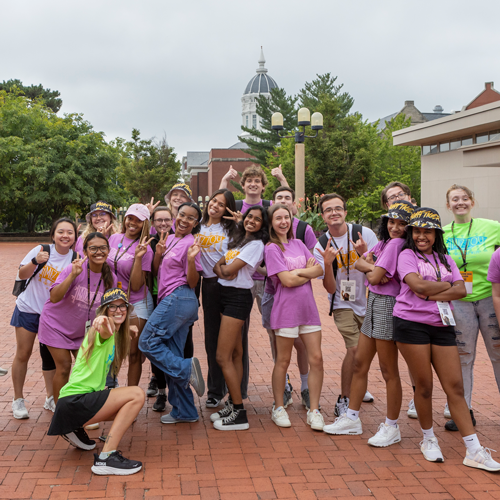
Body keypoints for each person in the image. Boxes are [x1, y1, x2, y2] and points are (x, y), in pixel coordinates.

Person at [393, 208, 500, 471]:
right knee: (424, 386)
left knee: (455, 387)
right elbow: (417, 287)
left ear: (436, 234)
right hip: (411, 325)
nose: (421, 236)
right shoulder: (406, 255)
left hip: (442, 325)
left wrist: (430, 293)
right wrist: (444, 287)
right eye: (417, 231)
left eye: (427, 231)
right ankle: (428, 439)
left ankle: (474, 450)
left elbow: (462, 289)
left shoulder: (445, 257)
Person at [323, 201, 414, 446]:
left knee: (388, 371)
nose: (395, 227)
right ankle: (352, 417)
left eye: (401, 223)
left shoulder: (396, 244)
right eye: (391, 222)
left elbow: (371, 273)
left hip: (386, 305)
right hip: (373, 301)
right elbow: (366, 268)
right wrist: (368, 265)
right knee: (360, 363)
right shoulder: (384, 242)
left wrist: (367, 265)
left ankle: (391, 426)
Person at [48, 288, 144, 475]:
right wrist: (101, 321)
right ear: (104, 311)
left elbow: (114, 329)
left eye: (122, 306)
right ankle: (107, 457)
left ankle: (75, 429)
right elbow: (103, 326)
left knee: (125, 410)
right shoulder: (102, 332)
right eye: (112, 307)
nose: (118, 310)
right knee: (136, 394)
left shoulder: (114, 335)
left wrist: (128, 328)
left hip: (72, 403)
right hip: (75, 401)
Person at [218, 164, 288, 400]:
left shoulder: (268, 207)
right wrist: (225, 179)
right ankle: (239, 389)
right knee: (239, 339)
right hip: (241, 280)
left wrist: (282, 179)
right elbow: (218, 203)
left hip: (264, 279)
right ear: (244, 184)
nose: (253, 184)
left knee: (274, 330)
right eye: (249, 180)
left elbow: (286, 205)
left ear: (263, 185)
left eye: (257, 181)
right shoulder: (237, 206)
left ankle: (284, 381)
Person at [139, 202, 206, 424]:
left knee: (147, 342)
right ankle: (185, 411)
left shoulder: (190, 243)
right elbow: (159, 272)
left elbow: (193, 282)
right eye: (182, 215)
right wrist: (158, 253)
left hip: (179, 298)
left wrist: (190, 260)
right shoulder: (169, 239)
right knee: (172, 357)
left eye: (191, 218)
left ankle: (187, 368)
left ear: (196, 224)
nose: (185, 220)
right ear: (176, 215)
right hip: (173, 300)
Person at [313, 194, 378, 416]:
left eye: (338, 208)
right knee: (355, 348)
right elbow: (330, 289)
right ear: (323, 216)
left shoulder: (364, 233)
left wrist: (365, 254)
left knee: (365, 351)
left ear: (345, 212)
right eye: (328, 210)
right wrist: (328, 262)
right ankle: (344, 398)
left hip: (367, 300)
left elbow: (377, 273)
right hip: (342, 303)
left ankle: (358, 386)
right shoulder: (321, 245)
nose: (334, 213)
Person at [442, 184, 500, 431]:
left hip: (489, 298)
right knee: (463, 358)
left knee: (498, 355)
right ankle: (462, 412)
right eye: (455, 199)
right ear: (448, 205)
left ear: (472, 202)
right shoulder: (443, 233)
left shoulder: (492, 227)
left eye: (464, 198)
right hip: (459, 301)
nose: (460, 203)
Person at [264, 204, 325, 430]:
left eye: (286, 217)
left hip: (308, 310)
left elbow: (319, 270)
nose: (283, 221)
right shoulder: (271, 249)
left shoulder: (299, 244)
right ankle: (278, 407)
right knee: (283, 360)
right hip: (285, 310)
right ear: (271, 223)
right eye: (278, 218)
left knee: (316, 359)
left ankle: (314, 410)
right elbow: (286, 282)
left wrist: (296, 273)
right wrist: (303, 273)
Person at [10, 218, 78, 419]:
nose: (65, 236)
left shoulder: (75, 257)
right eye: (61, 232)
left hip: (53, 316)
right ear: (53, 234)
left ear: (75, 237)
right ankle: (18, 399)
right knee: (23, 353)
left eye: (70, 232)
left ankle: (50, 397)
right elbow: (22, 274)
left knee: (52, 358)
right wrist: (35, 261)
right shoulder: (42, 249)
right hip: (29, 308)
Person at [38, 232, 116, 402]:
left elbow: (109, 309)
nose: (98, 252)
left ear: (108, 251)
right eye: (93, 248)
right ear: (86, 251)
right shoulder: (73, 269)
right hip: (55, 325)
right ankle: (61, 411)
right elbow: (54, 297)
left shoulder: (110, 278)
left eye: (103, 248)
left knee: (88, 367)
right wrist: (73, 274)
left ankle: (82, 407)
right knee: (65, 367)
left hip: (82, 331)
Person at [210, 206, 268, 430]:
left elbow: (227, 269)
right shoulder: (238, 240)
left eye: (257, 219)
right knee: (235, 353)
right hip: (225, 295)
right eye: (250, 217)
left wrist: (224, 269)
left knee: (222, 356)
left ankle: (239, 413)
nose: (252, 221)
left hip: (238, 297)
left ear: (263, 225)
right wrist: (224, 269)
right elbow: (220, 268)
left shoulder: (255, 245)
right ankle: (235, 406)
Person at [198, 189, 237, 408]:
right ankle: (215, 390)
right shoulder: (198, 226)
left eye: (221, 204)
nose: (215, 205)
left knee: (234, 342)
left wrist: (222, 265)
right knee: (212, 338)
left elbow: (241, 249)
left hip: (230, 284)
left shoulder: (232, 229)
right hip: (210, 284)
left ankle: (235, 390)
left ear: (227, 209)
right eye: (214, 201)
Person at [107, 204, 154, 387]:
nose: (133, 223)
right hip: (114, 302)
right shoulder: (113, 238)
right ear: (125, 219)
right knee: (112, 348)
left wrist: (139, 257)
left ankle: (131, 396)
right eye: (130, 218)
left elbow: (136, 285)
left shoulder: (146, 248)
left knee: (134, 353)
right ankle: (111, 389)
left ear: (145, 224)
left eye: (138, 220)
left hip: (137, 302)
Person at [146, 206, 175, 412]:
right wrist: (158, 253)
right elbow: (153, 270)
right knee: (155, 341)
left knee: (177, 344)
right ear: (153, 223)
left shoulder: (180, 239)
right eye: (159, 220)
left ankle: (179, 391)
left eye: (166, 220)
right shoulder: (150, 242)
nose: (163, 223)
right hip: (156, 295)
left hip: (175, 297)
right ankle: (162, 392)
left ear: (172, 220)